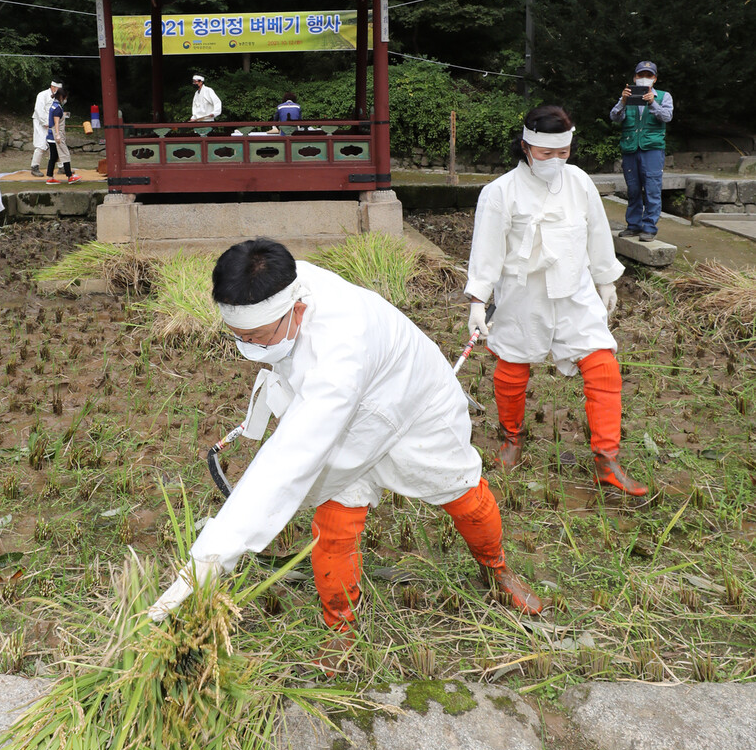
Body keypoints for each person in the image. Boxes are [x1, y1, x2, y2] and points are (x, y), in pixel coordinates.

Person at [149, 237, 543, 657]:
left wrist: (208, 561)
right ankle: (341, 630)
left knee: (463, 495)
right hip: (346, 421)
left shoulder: (340, 348)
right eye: (239, 337)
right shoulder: (277, 281)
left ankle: (497, 569)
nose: (250, 349)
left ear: (297, 311)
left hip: (414, 405)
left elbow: (287, 462)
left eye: (259, 338)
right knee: (335, 526)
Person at [465, 104, 646, 496]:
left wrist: (606, 280)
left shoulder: (579, 181)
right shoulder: (499, 192)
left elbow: (596, 232)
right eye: (547, 153)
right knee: (512, 366)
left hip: (574, 291)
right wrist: (478, 301)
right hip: (522, 294)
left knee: (603, 366)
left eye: (562, 153)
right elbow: (487, 250)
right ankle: (512, 439)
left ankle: (607, 460)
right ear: (527, 147)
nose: (555, 161)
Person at [609, 62, 673, 241]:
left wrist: (652, 103)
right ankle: (634, 225)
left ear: (655, 78)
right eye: (640, 75)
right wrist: (623, 101)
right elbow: (614, 117)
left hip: (652, 149)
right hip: (630, 147)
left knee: (652, 188)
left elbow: (667, 117)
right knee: (633, 189)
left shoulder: (663, 96)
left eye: (649, 75)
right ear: (634, 78)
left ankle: (650, 228)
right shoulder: (627, 96)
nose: (644, 78)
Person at [46, 88, 80, 184]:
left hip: (50, 136)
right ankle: (70, 176)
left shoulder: (53, 105)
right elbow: (56, 123)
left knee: (53, 157)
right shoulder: (57, 108)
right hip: (56, 136)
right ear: (62, 97)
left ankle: (50, 177)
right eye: (65, 97)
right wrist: (57, 135)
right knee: (65, 154)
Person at [31, 80, 62, 177]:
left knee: (57, 143)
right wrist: (45, 122)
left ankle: (62, 166)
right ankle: (34, 167)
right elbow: (39, 110)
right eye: (57, 88)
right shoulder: (42, 95)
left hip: (52, 123)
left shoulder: (57, 97)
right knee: (41, 144)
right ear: (52, 87)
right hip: (40, 122)